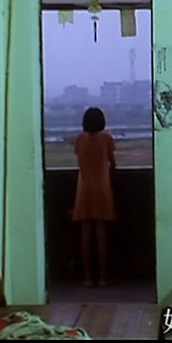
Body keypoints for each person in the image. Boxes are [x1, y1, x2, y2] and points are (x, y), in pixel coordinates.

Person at [72, 107, 117, 287]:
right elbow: (112, 163)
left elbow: (79, 159)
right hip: (102, 188)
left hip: (83, 189)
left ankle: (87, 277)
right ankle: (103, 276)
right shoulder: (106, 138)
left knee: (85, 234)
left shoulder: (80, 139)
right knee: (101, 233)